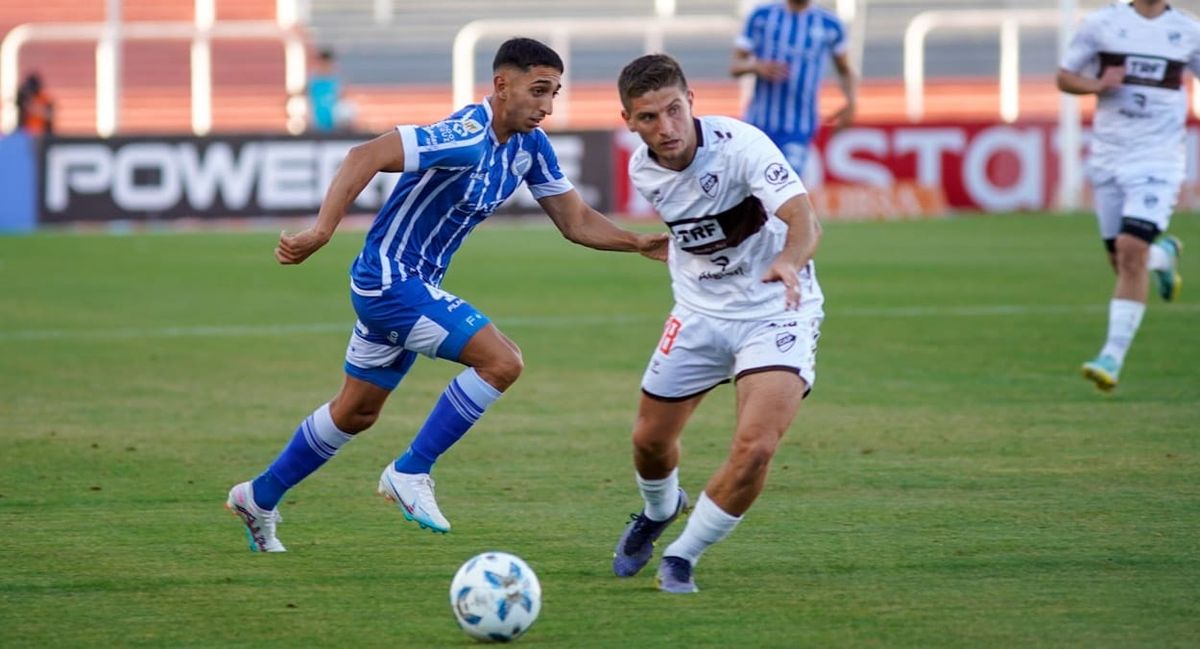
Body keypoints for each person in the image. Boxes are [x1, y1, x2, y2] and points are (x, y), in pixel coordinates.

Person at [226, 37, 668, 552]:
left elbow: (575, 220)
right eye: (538, 91)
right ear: (502, 85)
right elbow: (363, 155)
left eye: (555, 93)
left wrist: (638, 242)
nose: (547, 106)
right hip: (390, 282)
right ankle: (411, 471)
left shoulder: (529, 147)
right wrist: (322, 231)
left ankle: (258, 496)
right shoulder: (464, 135)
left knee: (356, 412)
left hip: (411, 286)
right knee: (502, 362)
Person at [610, 53, 824, 593]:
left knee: (756, 447)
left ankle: (684, 554)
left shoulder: (743, 146)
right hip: (699, 313)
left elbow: (803, 217)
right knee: (648, 443)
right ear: (629, 122)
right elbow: (698, 229)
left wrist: (789, 261)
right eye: (649, 118)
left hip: (776, 310)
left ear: (691, 102)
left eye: (674, 110)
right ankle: (659, 511)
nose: (666, 128)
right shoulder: (643, 169)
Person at [1057, 0, 1197, 392]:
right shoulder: (1101, 24)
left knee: (1130, 249)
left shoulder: (1188, 31)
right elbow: (1065, 77)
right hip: (1109, 157)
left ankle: (1111, 358)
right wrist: (1098, 85)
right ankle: (1163, 255)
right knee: (1121, 260)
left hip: (1159, 159)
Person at [730, 0, 857, 175]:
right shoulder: (762, 16)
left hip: (799, 128)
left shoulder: (830, 24)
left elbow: (845, 70)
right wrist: (757, 67)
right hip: (758, 125)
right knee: (752, 189)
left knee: (785, 184)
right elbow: (735, 66)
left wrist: (851, 103)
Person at [307, 48, 354, 132]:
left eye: (327, 63)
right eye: (322, 63)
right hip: (316, 123)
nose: (324, 66)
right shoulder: (312, 80)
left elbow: (343, 100)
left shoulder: (337, 80)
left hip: (334, 124)